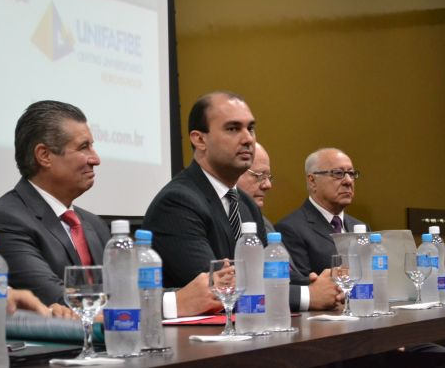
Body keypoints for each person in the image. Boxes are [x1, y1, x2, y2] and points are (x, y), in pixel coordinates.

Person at [0, 100, 221, 318]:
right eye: (84, 147)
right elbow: (60, 303)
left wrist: (201, 293)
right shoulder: (5, 222)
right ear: (44, 155)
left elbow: (128, 292)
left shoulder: (92, 224)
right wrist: (172, 304)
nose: (96, 159)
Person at [143, 92, 342, 311]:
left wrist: (320, 284)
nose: (248, 139)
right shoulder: (178, 203)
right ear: (199, 140)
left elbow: (268, 275)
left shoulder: (245, 204)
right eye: (233, 128)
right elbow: (218, 289)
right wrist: (307, 295)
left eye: (251, 128)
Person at [276, 148, 365, 277]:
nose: (348, 181)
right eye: (338, 173)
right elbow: (301, 283)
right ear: (312, 181)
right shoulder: (290, 229)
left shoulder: (360, 227)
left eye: (351, 174)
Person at [237, 142, 275, 232]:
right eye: (260, 175)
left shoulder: (264, 225)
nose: (268, 185)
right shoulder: (208, 217)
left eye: (268, 177)